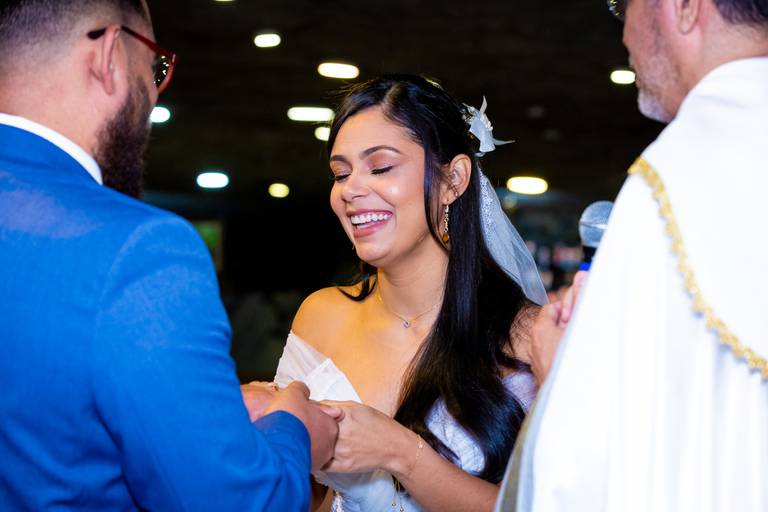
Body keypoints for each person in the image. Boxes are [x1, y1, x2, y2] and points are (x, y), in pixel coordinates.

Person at [0, 1, 338, 510]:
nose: (156, 92)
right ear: (110, 55)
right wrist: (296, 427)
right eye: (156, 66)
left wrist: (208, 411)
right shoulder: (140, 250)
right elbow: (238, 503)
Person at [497, 0, 768, 510]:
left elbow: (598, 470)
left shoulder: (671, 182)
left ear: (684, 7)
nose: (623, 34)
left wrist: (559, 373)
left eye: (624, 6)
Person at [267, 75, 548, 511]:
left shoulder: (530, 337)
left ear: (453, 179)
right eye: (341, 173)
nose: (351, 190)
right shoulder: (321, 315)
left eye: (380, 167)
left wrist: (401, 453)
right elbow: (301, 496)